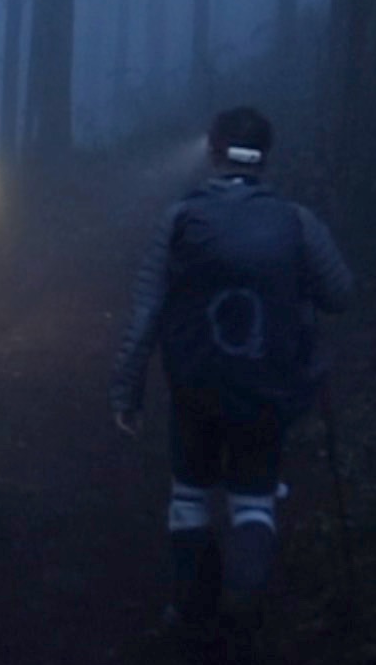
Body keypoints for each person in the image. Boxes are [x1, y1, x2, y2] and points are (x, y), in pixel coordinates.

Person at [109, 106, 354, 631]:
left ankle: (193, 613)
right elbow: (341, 293)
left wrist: (126, 390)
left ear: (213, 151)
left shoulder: (179, 218)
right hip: (266, 388)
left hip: (194, 386)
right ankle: (245, 599)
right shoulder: (296, 221)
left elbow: (148, 309)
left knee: (190, 496)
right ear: (266, 158)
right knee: (254, 499)